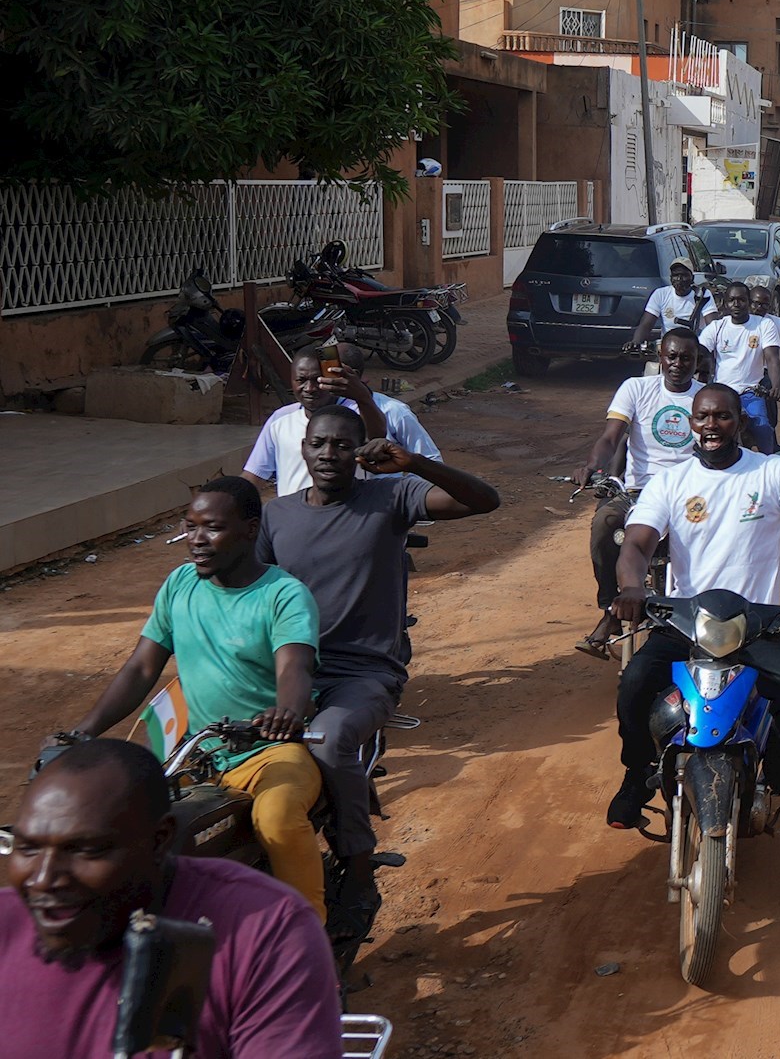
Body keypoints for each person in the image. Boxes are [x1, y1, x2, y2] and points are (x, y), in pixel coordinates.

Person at [258, 406, 500, 930]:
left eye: (342, 446)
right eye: (318, 444)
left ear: (360, 453)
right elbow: (253, 597)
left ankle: (357, 866)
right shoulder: (276, 516)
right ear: (302, 449)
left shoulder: (391, 498)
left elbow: (483, 500)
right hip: (285, 670)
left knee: (325, 739)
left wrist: (413, 463)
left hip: (363, 675)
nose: (329, 455)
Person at [55, 479, 325, 918]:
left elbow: (295, 667)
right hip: (193, 753)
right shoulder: (180, 584)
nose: (196, 541)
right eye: (190, 527)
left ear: (250, 529)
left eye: (212, 528)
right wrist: (82, 733)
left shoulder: (283, 595)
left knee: (276, 819)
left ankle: (311, 938)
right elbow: (142, 668)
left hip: (268, 753)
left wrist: (285, 712)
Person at [2, 739, 343, 1059]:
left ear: (160, 839)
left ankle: (354, 854)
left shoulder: (265, 930)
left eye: (87, 850)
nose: (43, 879)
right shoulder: (6, 923)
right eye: (28, 847)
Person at [607, 387, 780, 826]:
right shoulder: (671, 482)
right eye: (702, 417)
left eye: (723, 417)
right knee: (634, 686)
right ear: (691, 423)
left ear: (742, 422)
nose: (711, 426)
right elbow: (637, 544)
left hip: (754, 623)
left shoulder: (772, 472)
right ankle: (636, 776)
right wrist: (632, 586)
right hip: (684, 619)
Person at [574, 327, 705, 659]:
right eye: (672, 356)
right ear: (660, 357)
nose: (678, 364)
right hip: (638, 492)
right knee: (604, 523)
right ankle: (610, 609)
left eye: (686, 358)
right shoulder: (636, 388)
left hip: (691, 494)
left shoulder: (706, 398)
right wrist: (593, 466)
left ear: (697, 361)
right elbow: (610, 438)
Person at [244, 348, 439, 497]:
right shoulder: (280, 420)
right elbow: (254, 475)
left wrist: (407, 505)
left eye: (318, 379)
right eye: (301, 380)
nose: (310, 388)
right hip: (298, 531)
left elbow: (377, 436)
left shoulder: (377, 413)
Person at [699, 283, 780, 454]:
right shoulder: (717, 327)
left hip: (751, 392)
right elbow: (699, 352)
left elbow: (772, 359)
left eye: (741, 300)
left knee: (763, 427)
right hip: (722, 393)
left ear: (748, 302)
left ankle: (770, 463)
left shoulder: (764, 325)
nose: (736, 305)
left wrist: (776, 386)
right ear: (725, 303)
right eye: (731, 300)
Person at [629, 261, 710, 347]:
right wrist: (635, 342)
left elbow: (712, 324)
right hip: (670, 347)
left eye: (684, 275)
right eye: (675, 275)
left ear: (692, 278)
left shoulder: (702, 294)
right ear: (671, 278)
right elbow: (646, 324)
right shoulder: (660, 294)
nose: (679, 279)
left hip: (694, 346)